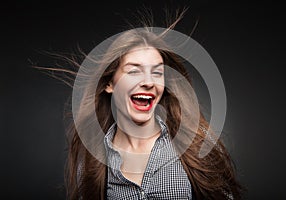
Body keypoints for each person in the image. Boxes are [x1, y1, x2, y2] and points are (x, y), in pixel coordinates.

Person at [44, 10, 242, 200]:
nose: (148, 82)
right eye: (134, 71)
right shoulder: (91, 161)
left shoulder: (197, 143)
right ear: (109, 84)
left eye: (157, 72)